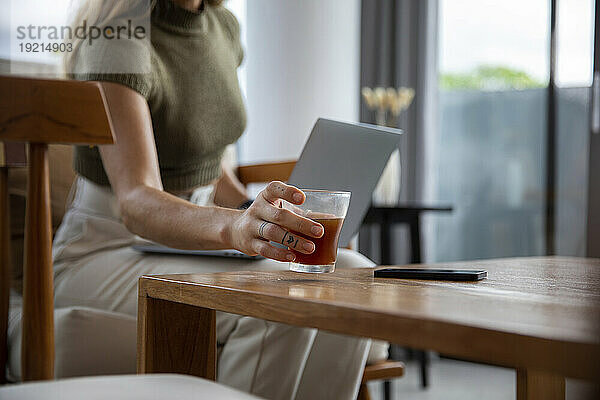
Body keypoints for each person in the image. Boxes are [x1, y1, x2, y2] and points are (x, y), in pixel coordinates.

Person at [54, 0, 375, 398]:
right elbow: (136, 201)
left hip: (187, 245)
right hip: (106, 249)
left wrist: (258, 217)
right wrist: (232, 227)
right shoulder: (118, 36)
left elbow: (205, 159)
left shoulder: (222, 26)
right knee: (274, 299)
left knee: (350, 275)